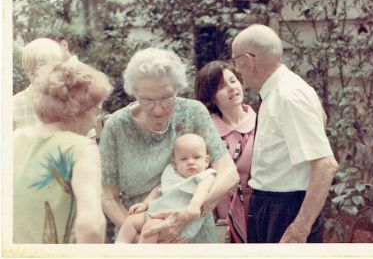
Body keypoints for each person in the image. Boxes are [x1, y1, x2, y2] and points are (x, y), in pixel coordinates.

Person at [100, 47, 239, 243]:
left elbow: (228, 173)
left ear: (176, 88)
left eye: (166, 98)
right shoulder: (116, 127)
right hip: (139, 240)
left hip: (193, 237)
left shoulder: (193, 112)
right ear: (134, 93)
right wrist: (143, 234)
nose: (158, 110)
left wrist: (191, 214)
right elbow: (108, 196)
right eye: (147, 100)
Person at [231, 24, 338, 243]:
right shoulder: (280, 91)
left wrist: (300, 228)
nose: (237, 69)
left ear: (250, 59)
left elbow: (325, 165)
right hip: (270, 208)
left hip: (286, 210)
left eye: (236, 60)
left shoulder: (289, 95)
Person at [13, 60, 113, 243]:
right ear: (77, 111)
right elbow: (91, 226)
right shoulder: (81, 148)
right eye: (96, 112)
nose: (95, 121)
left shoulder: (12, 139)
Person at [194, 60, 256, 243]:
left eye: (233, 81)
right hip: (218, 216)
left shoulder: (262, 123)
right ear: (210, 96)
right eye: (221, 86)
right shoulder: (204, 132)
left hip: (258, 212)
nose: (231, 88)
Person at [116, 133, 216, 243]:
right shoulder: (171, 173)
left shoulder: (205, 176)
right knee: (130, 222)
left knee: (150, 228)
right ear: (175, 163)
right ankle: (120, 249)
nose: (190, 162)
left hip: (177, 219)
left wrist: (194, 206)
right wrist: (145, 204)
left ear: (206, 161)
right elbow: (159, 189)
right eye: (184, 159)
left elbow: (202, 191)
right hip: (155, 212)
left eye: (196, 157)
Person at [13, 38, 64, 130]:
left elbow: (88, 140)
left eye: (56, 69)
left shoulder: (70, 100)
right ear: (28, 72)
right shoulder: (11, 107)